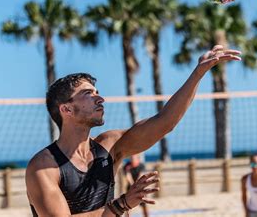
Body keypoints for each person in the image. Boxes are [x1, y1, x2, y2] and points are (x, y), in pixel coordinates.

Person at [26, 45, 242, 216]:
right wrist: (121, 205)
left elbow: (165, 122)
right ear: (66, 109)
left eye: (97, 92)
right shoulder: (43, 166)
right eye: (88, 94)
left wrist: (198, 72)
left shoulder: (109, 145)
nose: (99, 98)